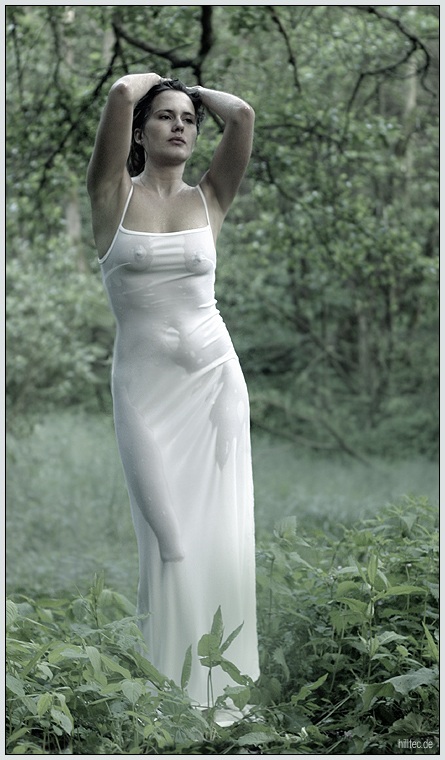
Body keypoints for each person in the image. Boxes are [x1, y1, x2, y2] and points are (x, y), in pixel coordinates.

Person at [87, 72, 259, 713]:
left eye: (188, 119)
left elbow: (241, 116)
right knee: (169, 543)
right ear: (139, 133)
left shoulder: (211, 197)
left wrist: (192, 91)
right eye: (165, 116)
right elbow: (119, 95)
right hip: (145, 395)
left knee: (220, 540)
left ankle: (225, 699)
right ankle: (168, 698)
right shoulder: (111, 195)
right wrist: (156, 84)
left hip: (215, 387)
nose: (180, 125)